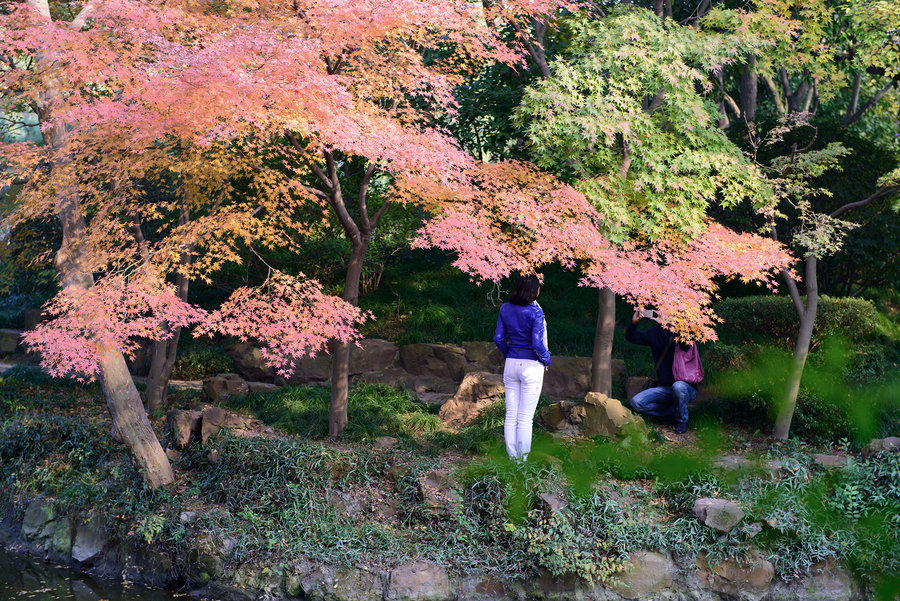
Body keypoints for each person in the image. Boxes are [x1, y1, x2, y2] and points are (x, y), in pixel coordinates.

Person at [494, 274, 551, 461]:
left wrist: (508, 353)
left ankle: (512, 459)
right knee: (525, 418)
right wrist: (547, 358)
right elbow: (537, 343)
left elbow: (499, 338)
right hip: (531, 366)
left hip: (511, 364)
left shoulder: (505, 308)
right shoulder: (536, 312)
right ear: (534, 291)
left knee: (511, 415)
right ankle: (522, 462)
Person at [625, 309, 697, 434]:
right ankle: (669, 413)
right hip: (666, 388)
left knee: (678, 386)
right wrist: (634, 323)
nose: (662, 313)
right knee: (636, 403)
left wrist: (670, 326)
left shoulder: (683, 332)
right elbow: (631, 337)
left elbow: (685, 345)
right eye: (660, 310)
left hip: (686, 387)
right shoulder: (654, 333)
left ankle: (682, 420)